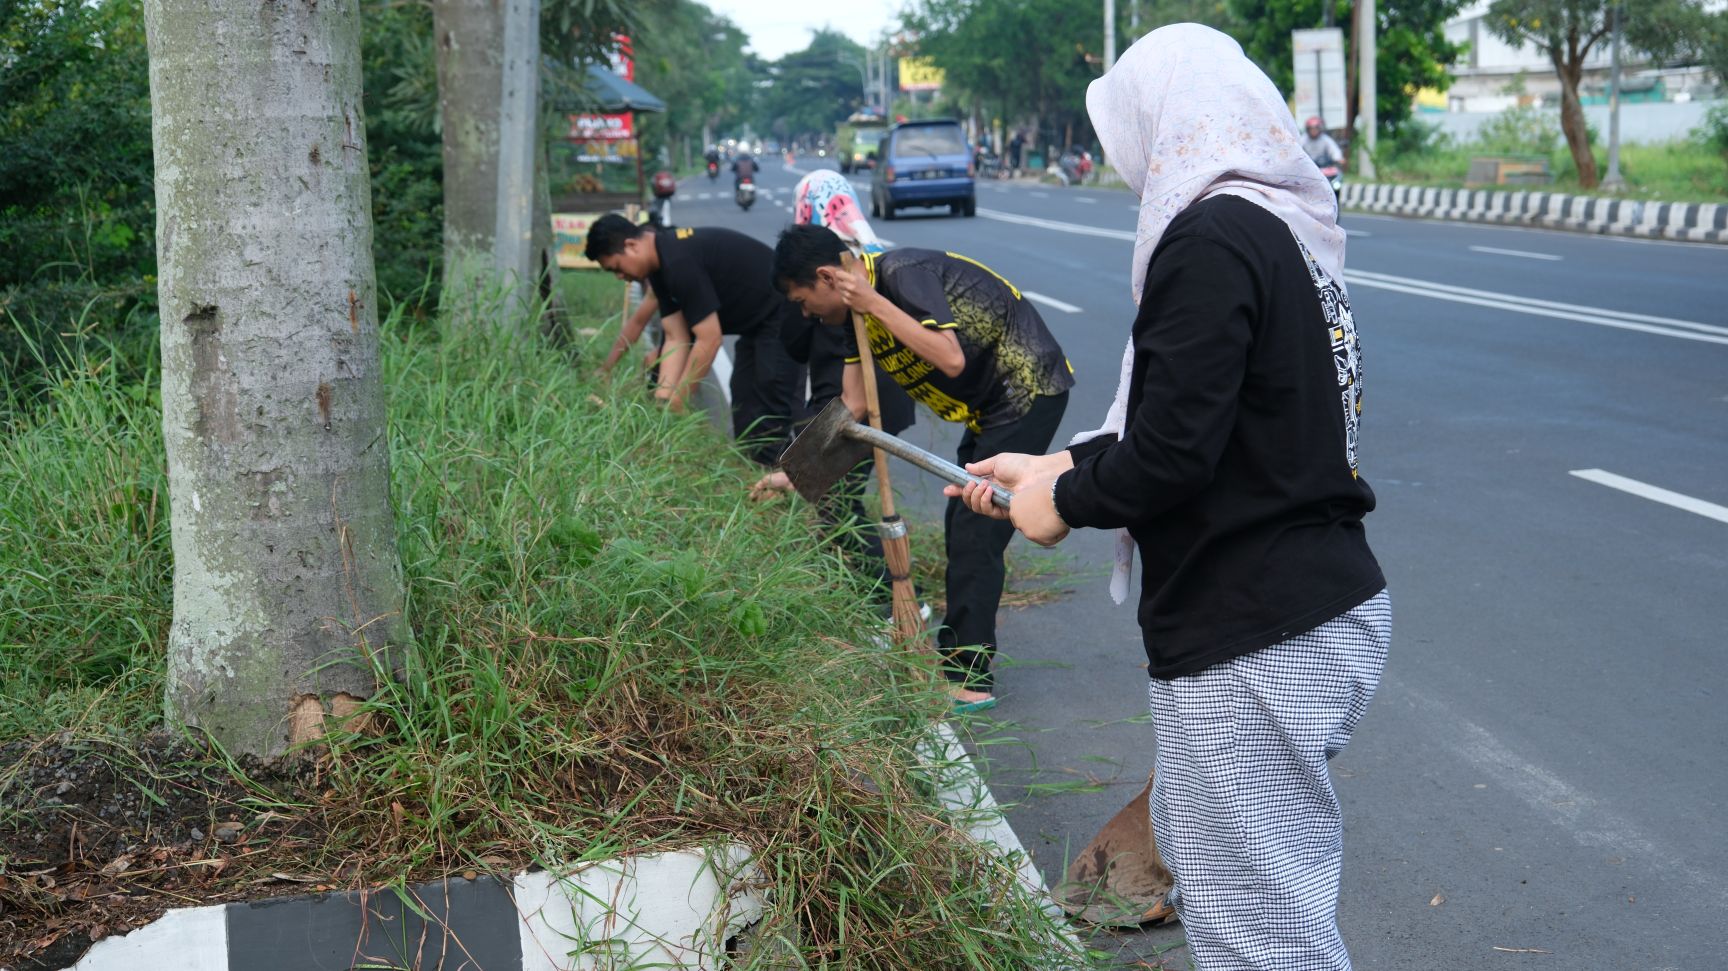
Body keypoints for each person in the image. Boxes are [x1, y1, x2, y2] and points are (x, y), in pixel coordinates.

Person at [947, 25, 1389, 971]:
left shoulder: (1209, 239)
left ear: (1164, 119)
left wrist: (1064, 503)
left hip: (1257, 631)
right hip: (1305, 609)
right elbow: (1215, 418)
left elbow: (1175, 452)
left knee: (1261, 933)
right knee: (1237, 881)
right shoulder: (1277, 230)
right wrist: (1056, 466)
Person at [771, 224, 1074, 711]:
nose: (806, 313)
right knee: (965, 520)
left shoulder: (901, 274)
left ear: (826, 277)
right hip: (987, 408)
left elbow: (949, 359)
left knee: (975, 529)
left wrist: (872, 303)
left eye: (803, 301)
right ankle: (961, 659)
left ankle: (970, 677)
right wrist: (797, 472)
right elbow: (852, 406)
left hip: (1024, 386)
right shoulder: (854, 315)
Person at [751, 170, 915, 609]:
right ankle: (874, 595)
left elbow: (795, 344)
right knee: (834, 501)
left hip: (848, 404)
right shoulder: (869, 259)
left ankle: (893, 601)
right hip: (880, 400)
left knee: (837, 502)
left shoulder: (825, 277)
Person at [586, 214, 801, 466]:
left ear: (631, 246)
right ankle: (756, 472)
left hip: (782, 312)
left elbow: (709, 339)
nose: (619, 276)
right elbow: (675, 338)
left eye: (616, 268)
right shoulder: (660, 268)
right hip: (756, 324)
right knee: (743, 400)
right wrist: (664, 400)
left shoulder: (678, 260)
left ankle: (783, 478)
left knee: (770, 397)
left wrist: (679, 399)